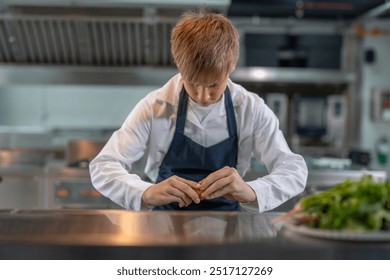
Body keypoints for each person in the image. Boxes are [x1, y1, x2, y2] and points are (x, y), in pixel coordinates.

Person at [89, 8, 308, 212]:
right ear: (178, 65)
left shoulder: (251, 109)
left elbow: (294, 170)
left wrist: (252, 191)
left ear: (231, 67)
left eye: (213, 84)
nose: (203, 96)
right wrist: (145, 191)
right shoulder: (155, 107)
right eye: (192, 82)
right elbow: (103, 166)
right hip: (164, 224)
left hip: (229, 225)